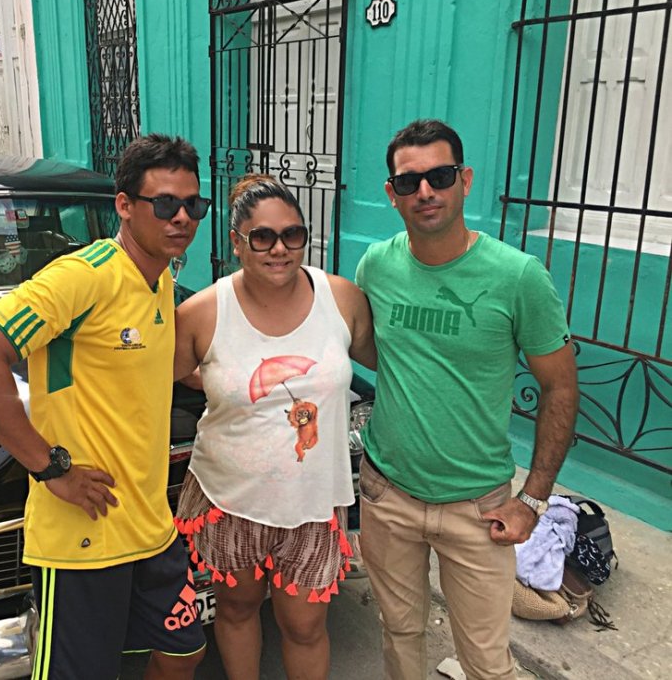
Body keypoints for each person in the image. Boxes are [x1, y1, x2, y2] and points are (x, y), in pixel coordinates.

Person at [0, 133, 208, 680]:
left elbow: (154, 372)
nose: (181, 217)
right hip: (85, 536)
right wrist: (49, 468)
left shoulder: (160, 279)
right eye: (164, 203)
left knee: (182, 650)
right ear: (125, 206)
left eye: (193, 205)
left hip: (150, 525)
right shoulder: (83, 276)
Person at [354, 119, 579, 680]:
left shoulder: (518, 276)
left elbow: (561, 387)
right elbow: (380, 353)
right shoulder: (376, 266)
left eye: (440, 175)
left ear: (465, 180)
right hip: (388, 495)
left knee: (485, 660)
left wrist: (533, 500)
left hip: (479, 508)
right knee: (400, 637)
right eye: (409, 182)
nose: (425, 191)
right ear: (392, 193)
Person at [173, 174, 375, 680]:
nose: (279, 249)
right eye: (262, 237)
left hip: (311, 500)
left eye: (293, 235)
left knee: (305, 625)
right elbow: (164, 378)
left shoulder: (343, 299)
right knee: (237, 609)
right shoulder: (201, 313)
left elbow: (392, 364)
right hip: (230, 496)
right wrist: (220, 382)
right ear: (237, 242)